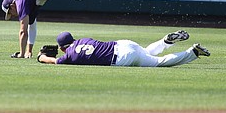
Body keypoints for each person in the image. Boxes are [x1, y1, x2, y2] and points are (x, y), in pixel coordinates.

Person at [37, 30, 211, 67]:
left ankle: (193, 52)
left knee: (158, 62)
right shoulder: (84, 39)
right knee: (145, 52)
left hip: (121, 58)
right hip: (122, 44)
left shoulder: (69, 57)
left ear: (62, 48)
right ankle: (165, 41)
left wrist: (41, 57)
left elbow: (55, 62)